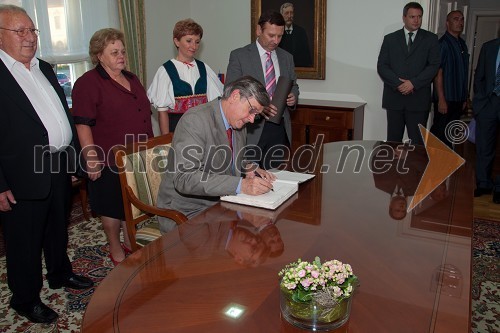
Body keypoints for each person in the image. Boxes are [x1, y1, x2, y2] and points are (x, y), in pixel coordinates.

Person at [0, 5, 93, 324]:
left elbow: (61, 115)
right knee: (24, 240)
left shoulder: (45, 67)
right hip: (20, 172)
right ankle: (24, 299)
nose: (29, 38)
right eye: (19, 31)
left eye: (32, 31)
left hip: (55, 163)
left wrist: (70, 156)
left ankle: (59, 273)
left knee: (57, 226)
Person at [72, 28, 154, 265]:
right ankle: (115, 246)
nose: (121, 56)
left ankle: (130, 241)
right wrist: (90, 158)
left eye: (123, 51)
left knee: (131, 203)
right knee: (111, 206)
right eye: (114, 52)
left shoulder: (131, 78)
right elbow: (83, 124)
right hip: (108, 157)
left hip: (136, 154)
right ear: (99, 55)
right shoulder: (88, 83)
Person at [156, 76, 276, 234]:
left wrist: (247, 165)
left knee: (261, 227)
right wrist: (241, 185)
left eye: (256, 115)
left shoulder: (238, 121)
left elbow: (225, 154)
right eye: (252, 110)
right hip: (186, 210)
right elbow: (185, 178)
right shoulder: (195, 121)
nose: (252, 120)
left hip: (219, 204)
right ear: (235, 96)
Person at [226, 10, 299, 170]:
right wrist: (257, 108)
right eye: (271, 35)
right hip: (250, 129)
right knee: (249, 178)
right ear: (259, 30)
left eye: (280, 36)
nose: (276, 40)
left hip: (279, 128)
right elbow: (231, 91)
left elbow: (294, 85)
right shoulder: (239, 56)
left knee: (274, 179)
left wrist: (293, 96)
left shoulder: (287, 57)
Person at [377, 2, 440, 146]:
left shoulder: (431, 39)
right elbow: (382, 66)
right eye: (412, 17)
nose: (416, 20)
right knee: (393, 142)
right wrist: (399, 84)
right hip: (394, 99)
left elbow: (434, 66)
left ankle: (416, 170)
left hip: (418, 100)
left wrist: (413, 83)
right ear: (404, 17)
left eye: (419, 17)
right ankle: (393, 169)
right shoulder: (390, 39)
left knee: (417, 144)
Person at [148, 19, 223, 134]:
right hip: (178, 130)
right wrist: (166, 142)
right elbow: (162, 112)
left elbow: (215, 106)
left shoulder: (204, 68)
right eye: (189, 41)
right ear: (177, 42)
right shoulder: (166, 70)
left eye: (197, 42)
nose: (194, 46)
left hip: (203, 129)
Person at [430, 10, 469, 148]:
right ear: (448, 23)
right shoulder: (443, 44)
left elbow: (464, 73)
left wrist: (464, 98)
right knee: (439, 133)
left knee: (450, 133)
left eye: (462, 19)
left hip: (458, 99)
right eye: (456, 19)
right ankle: (433, 163)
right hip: (446, 98)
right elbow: (437, 72)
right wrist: (441, 99)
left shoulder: (462, 44)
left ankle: (446, 163)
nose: (460, 22)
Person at [472, 37, 500, 202]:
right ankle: (483, 183)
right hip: (488, 104)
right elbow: (479, 75)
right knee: (484, 147)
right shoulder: (488, 47)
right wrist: (481, 99)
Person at [278, 2, 313, 67]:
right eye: (286, 13)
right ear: (281, 15)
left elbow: (306, 57)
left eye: (291, 13)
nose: (289, 16)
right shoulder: (277, 32)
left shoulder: (301, 32)